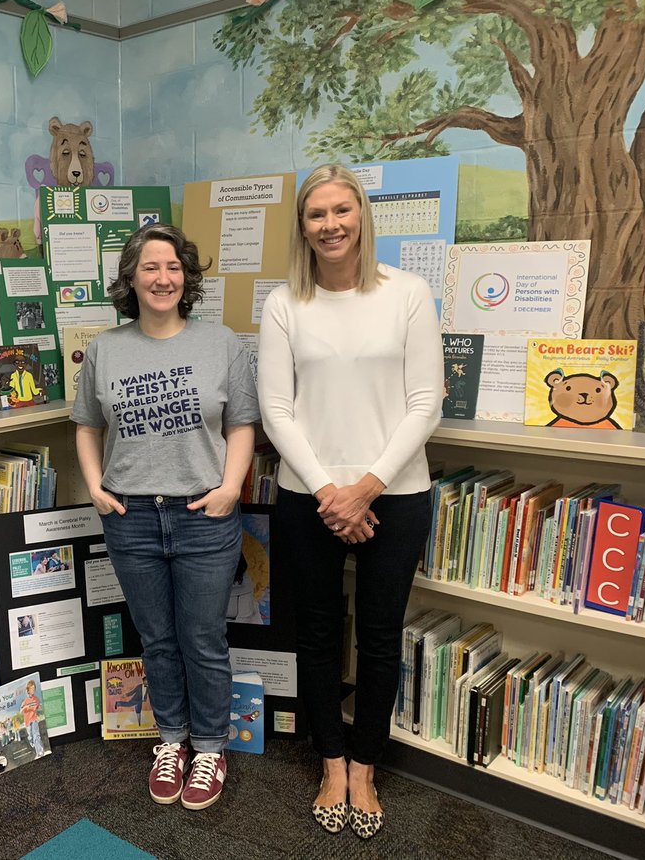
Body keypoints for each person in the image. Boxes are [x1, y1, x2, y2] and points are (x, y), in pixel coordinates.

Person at [257, 164, 441, 839]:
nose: (330, 225)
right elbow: (277, 411)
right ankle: (330, 762)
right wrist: (330, 493)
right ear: (302, 227)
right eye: (316, 214)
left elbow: (426, 403)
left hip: (396, 495)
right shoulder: (284, 305)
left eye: (342, 210)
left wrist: (366, 487)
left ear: (362, 215)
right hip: (309, 497)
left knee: (380, 637)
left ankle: (366, 766)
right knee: (316, 635)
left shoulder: (409, 295)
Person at [72, 223, 259, 811]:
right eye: (150, 267)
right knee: (156, 638)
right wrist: (96, 488)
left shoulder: (222, 342)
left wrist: (231, 487)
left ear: (187, 277)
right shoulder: (105, 347)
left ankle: (209, 747)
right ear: (131, 278)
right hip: (130, 515)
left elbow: (242, 425)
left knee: (203, 638)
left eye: (173, 267)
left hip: (204, 513)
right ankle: (171, 739)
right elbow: (85, 425)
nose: (162, 277)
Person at [21, 680, 46, 758]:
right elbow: (21, 711)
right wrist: (25, 707)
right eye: (31, 688)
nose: (33, 690)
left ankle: (40, 751)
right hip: (27, 721)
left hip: (34, 719)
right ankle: (31, 741)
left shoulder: (36, 699)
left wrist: (42, 708)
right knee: (31, 736)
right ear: (28, 690)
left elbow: (38, 707)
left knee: (36, 735)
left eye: (34, 688)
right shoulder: (25, 701)